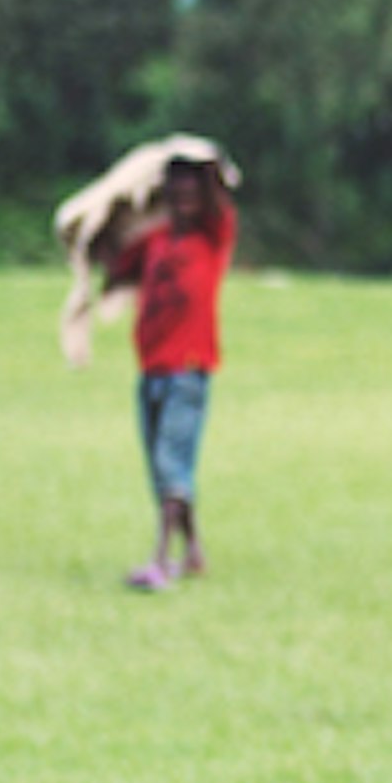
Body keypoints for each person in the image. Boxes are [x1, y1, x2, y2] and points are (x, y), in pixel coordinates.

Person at [114, 145, 234, 592]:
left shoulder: (214, 236)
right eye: (175, 192)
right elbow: (115, 261)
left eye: (192, 193)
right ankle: (195, 552)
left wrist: (207, 164)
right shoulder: (156, 241)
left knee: (171, 463)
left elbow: (222, 199)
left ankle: (162, 560)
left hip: (188, 369)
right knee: (165, 468)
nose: (184, 201)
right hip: (150, 369)